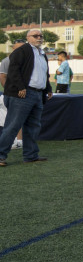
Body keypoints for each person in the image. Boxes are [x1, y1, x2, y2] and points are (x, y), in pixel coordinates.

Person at [0, 29, 52, 167]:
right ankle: (0, 156)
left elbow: (44, 74)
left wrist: (48, 89)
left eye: (41, 36)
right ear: (28, 38)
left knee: (33, 127)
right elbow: (13, 70)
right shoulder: (22, 50)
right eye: (35, 36)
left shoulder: (42, 54)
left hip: (37, 94)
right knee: (13, 126)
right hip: (22, 94)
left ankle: (30, 155)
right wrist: (20, 87)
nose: (39, 38)